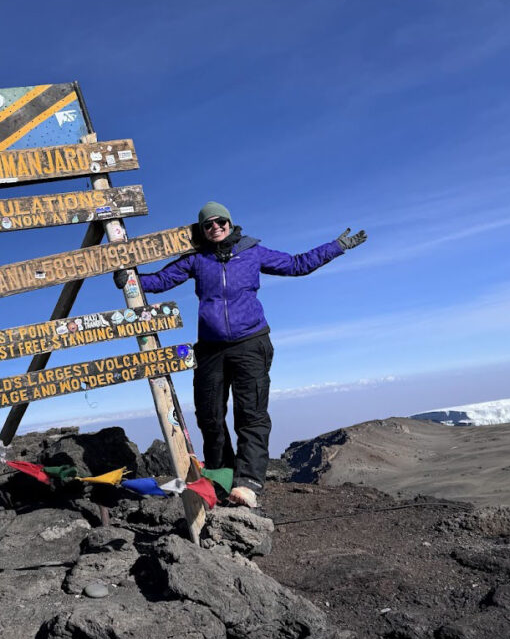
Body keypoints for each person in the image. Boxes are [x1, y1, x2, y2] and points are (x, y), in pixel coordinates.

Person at [115, 202, 366, 508]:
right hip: (210, 348)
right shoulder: (197, 258)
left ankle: (247, 482)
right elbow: (163, 280)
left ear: (230, 223)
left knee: (251, 414)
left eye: (220, 221)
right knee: (209, 416)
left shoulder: (252, 251)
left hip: (251, 343)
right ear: (203, 230)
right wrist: (130, 279)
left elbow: (297, 264)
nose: (215, 227)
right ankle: (222, 477)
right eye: (208, 225)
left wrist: (336, 247)